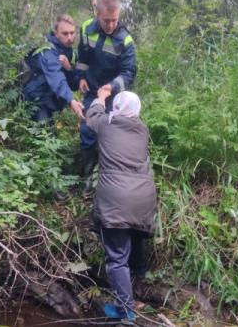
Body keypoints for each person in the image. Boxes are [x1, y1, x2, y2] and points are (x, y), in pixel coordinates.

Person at [85, 87, 155, 321]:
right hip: (143, 198)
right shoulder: (143, 130)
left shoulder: (105, 124)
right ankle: (140, 272)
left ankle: (127, 311)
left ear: (115, 108)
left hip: (116, 198)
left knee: (116, 259)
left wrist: (102, 96)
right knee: (133, 233)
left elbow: (91, 114)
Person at [75, 0, 137, 194]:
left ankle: (108, 178)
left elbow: (128, 73)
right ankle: (86, 176)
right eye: (106, 20)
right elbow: (83, 56)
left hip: (113, 95)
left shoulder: (125, 40)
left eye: (114, 20)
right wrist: (81, 77)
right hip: (92, 89)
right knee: (88, 129)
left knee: (111, 134)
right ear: (97, 14)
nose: (111, 25)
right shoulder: (86, 28)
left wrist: (111, 87)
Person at [23, 14, 84, 122]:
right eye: (65, 33)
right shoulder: (47, 51)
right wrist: (71, 101)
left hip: (52, 103)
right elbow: (57, 78)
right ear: (56, 34)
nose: (70, 38)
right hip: (36, 101)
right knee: (42, 134)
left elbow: (74, 85)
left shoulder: (71, 54)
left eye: (72, 33)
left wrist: (69, 69)